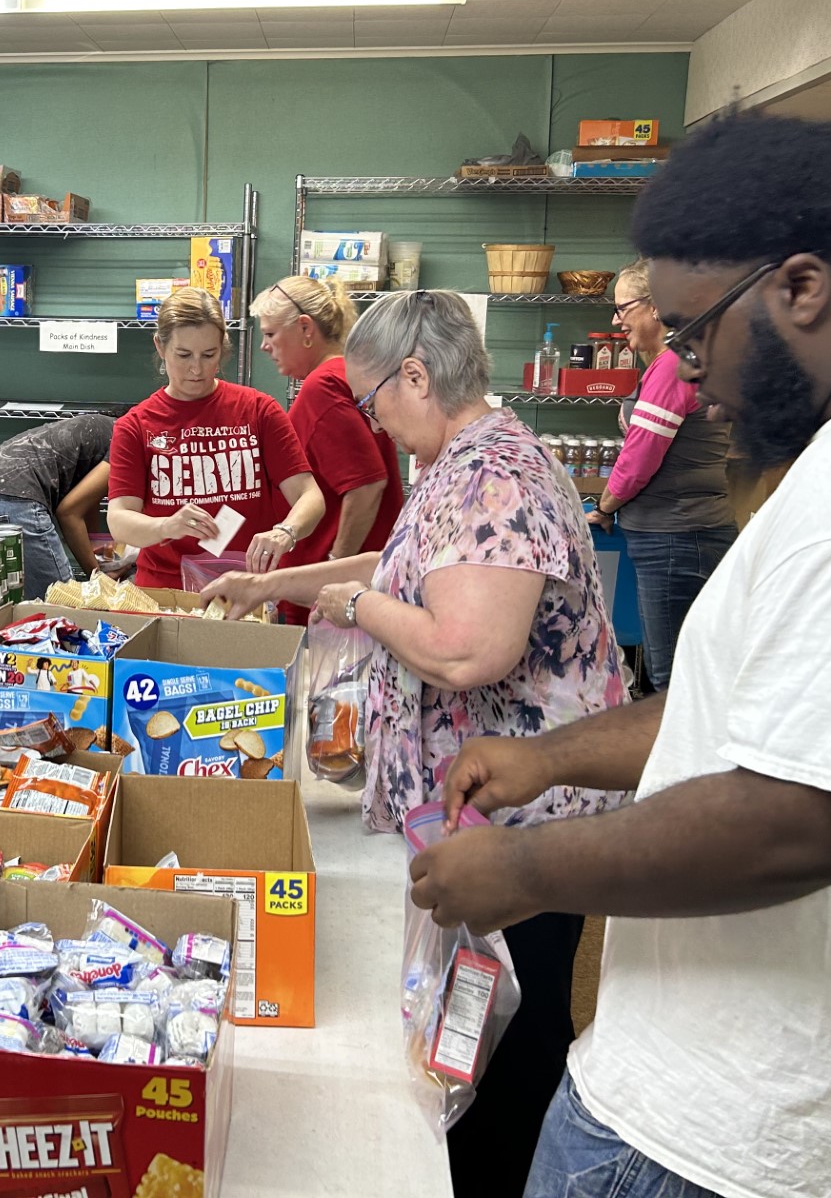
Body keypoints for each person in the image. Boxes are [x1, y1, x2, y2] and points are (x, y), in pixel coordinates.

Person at [420, 116, 831, 1198]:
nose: (681, 366)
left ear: (800, 288)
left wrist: (523, 871)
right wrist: (555, 757)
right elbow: (768, 707)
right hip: (812, 1109)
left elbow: (807, 815)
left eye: (692, 329)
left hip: (737, 1131)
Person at [204, 290, 625, 1198]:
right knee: (473, 1025)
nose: (373, 421)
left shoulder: (496, 476)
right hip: (480, 812)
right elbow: (402, 568)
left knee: (511, 1033)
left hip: (523, 815)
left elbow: (468, 647)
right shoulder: (456, 463)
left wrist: (357, 608)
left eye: (373, 401)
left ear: (417, 377)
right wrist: (275, 584)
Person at [105, 287, 323, 589]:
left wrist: (286, 531)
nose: (196, 368)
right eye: (183, 355)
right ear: (160, 346)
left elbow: (309, 496)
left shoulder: (259, 410)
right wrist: (167, 526)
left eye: (209, 355)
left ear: (222, 347)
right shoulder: (136, 425)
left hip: (246, 587)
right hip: (165, 590)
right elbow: (119, 520)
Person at [588, 259, 736, 689]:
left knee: (671, 676)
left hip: (674, 537)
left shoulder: (673, 368)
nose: (616, 320)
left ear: (656, 306)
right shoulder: (680, 360)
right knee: (681, 670)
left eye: (623, 308)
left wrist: (604, 507)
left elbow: (640, 457)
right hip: (686, 532)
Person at [252, 275, 403, 624]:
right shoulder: (347, 375)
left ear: (306, 328)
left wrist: (334, 573)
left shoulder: (322, 386)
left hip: (331, 597)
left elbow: (367, 485)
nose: (264, 346)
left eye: (271, 334)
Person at [0, 412, 117, 599]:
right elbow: (69, 513)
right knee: (62, 600)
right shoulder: (126, 442)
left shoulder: (101, 430)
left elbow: (86, 503)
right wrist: (98, 577)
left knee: (1, 602)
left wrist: (95, 554)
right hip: (14, 499)